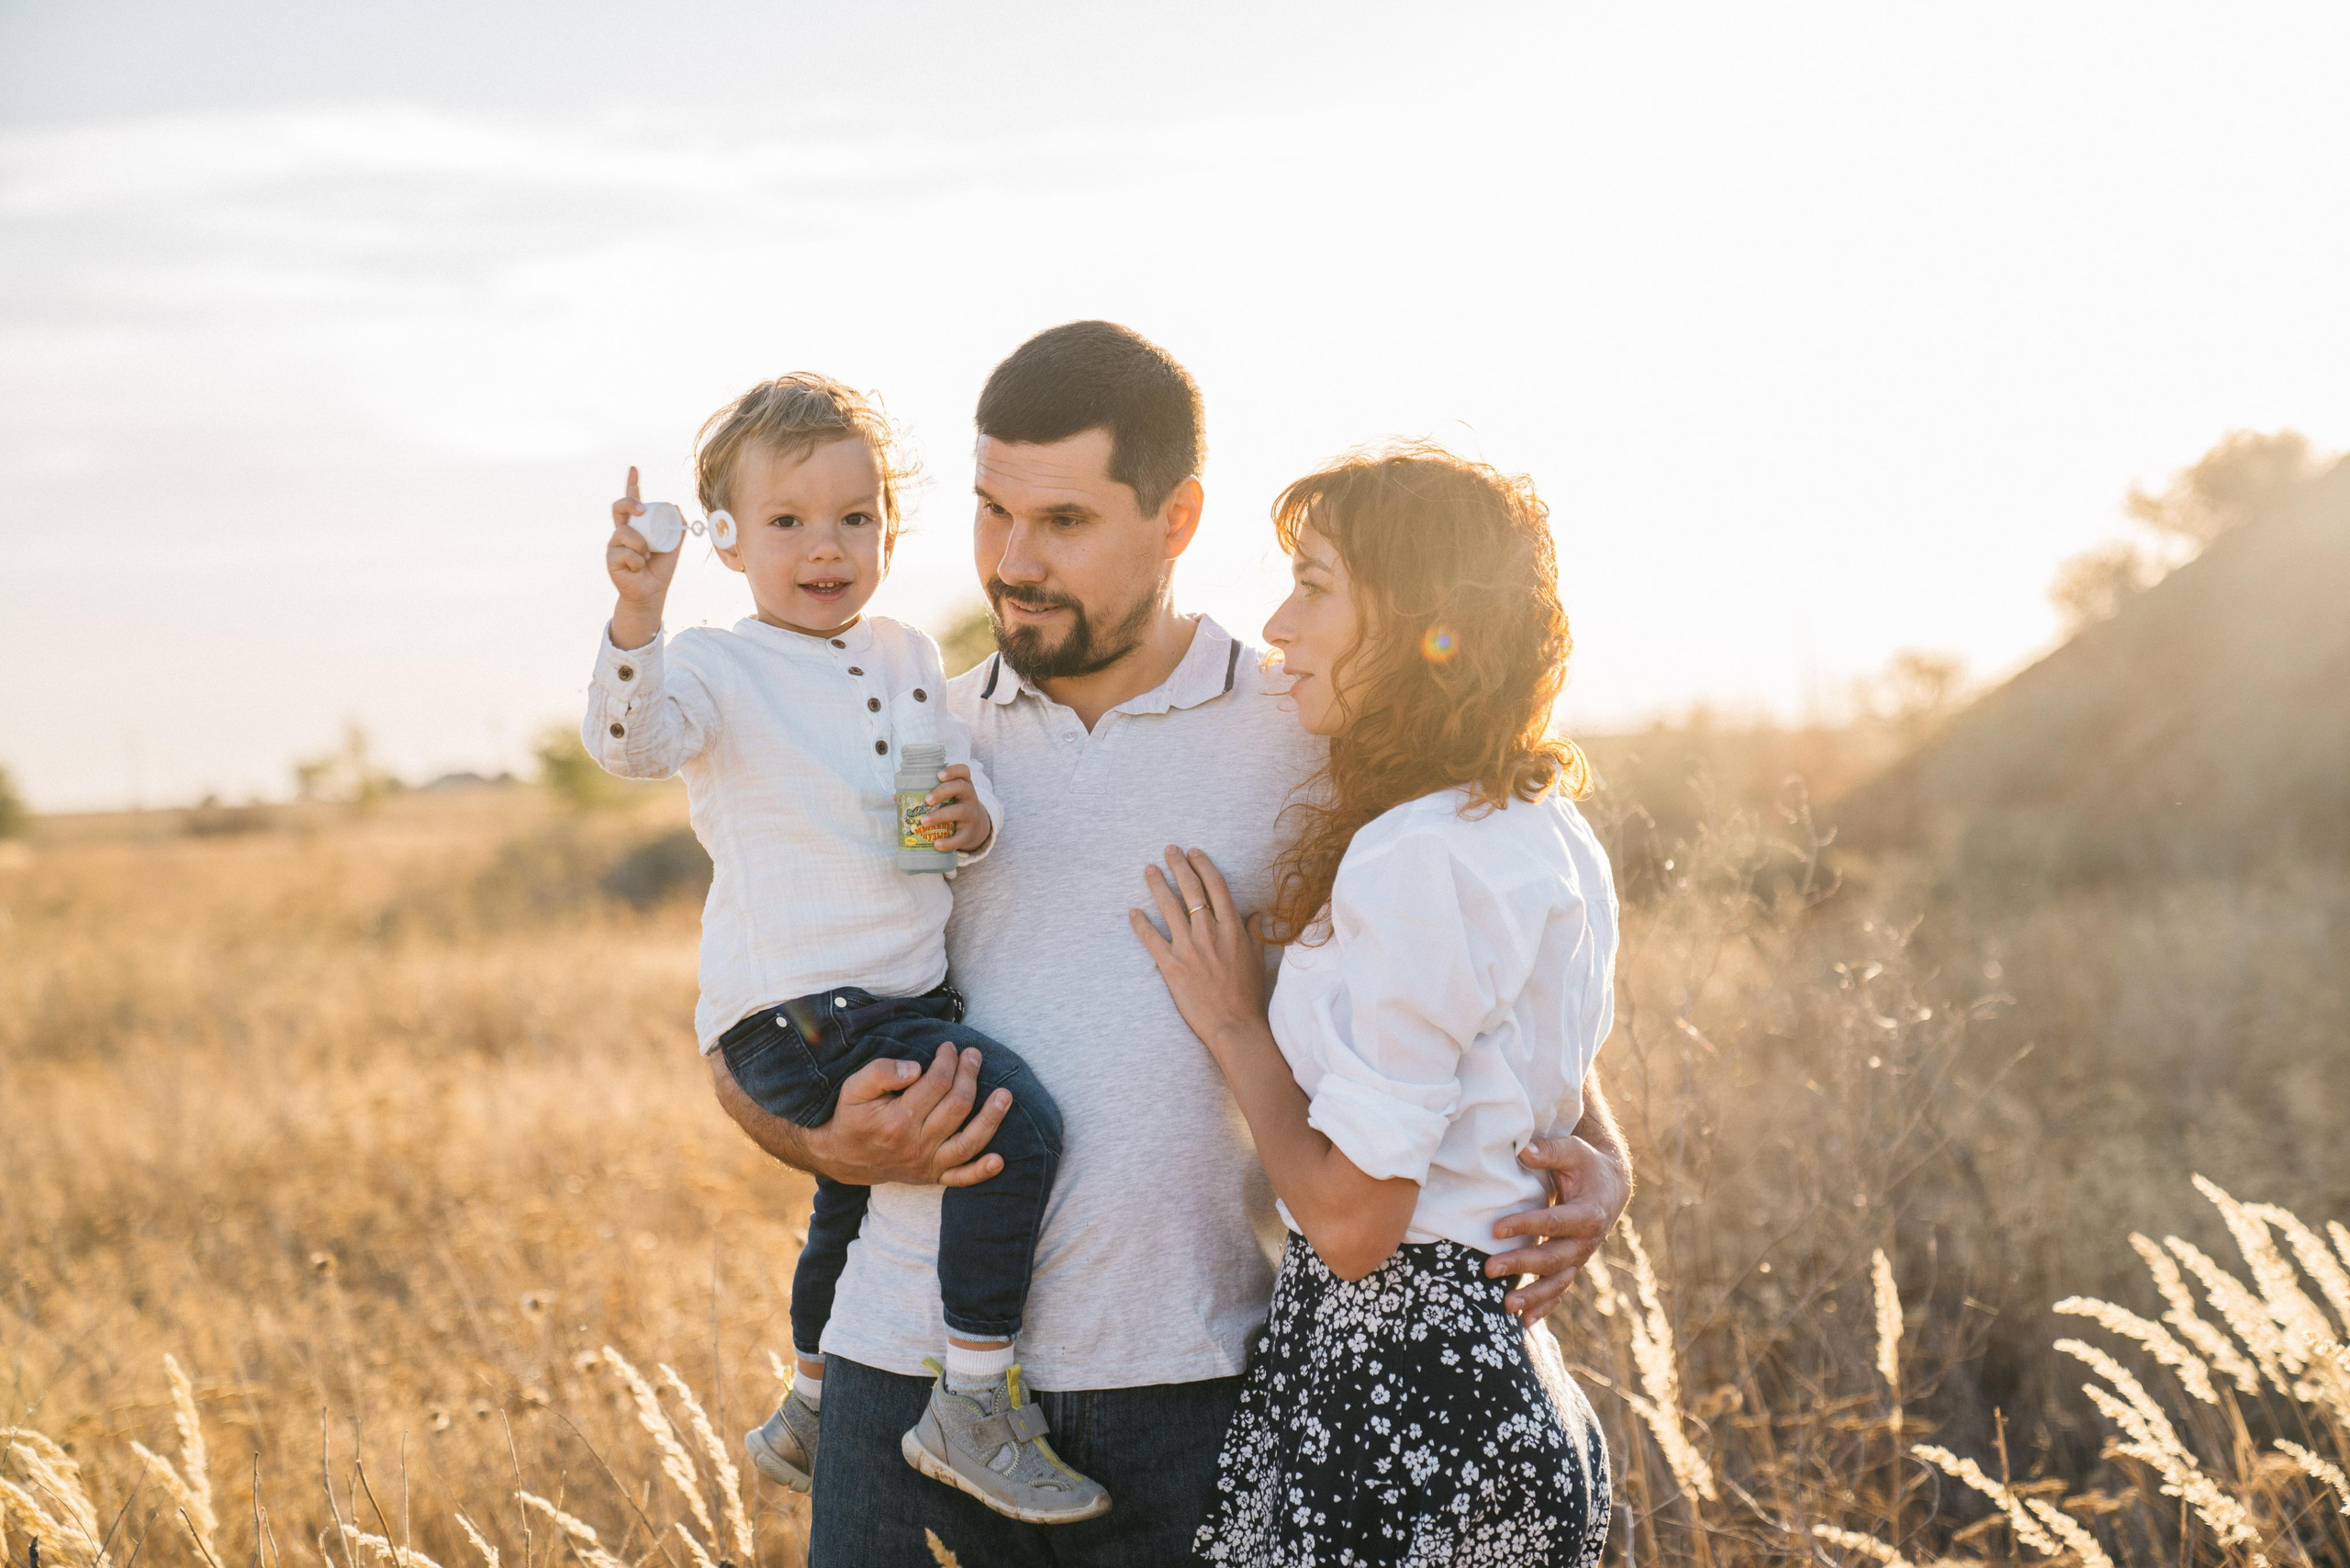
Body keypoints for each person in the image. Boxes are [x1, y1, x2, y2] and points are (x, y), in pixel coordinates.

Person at [707, 324, 1633, 1567]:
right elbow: (745, 1019)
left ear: (1177, 516)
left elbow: (1476, 970)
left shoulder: (1311, 726)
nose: (1013, 563)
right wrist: (820, 1140)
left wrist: (1600, 1154)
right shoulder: (907, 737)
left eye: (1066, 523)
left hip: (1199, 1388)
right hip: (906, 1377)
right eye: (991, 512)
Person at [584, 372, 1109, 1524]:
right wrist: (636, 619)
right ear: (723, 538)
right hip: (802, 1008)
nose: (825, 547)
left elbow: (942, 811)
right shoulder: (717, 667)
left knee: (851, 1197)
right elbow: (628, 743)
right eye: (787, 523)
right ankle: (972, 1397)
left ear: (887, 525)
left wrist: (980, 826)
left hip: (902, 994)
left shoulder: (907, 650)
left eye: (854, 518)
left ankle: (814, 1397)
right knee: (1011, 1130)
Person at [1132, 444, 1617, 1563]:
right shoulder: (1543, 822)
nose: (1278, 627)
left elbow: (1354, 1228)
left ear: (1413, 623)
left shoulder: (1411, 855)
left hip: (1399, 1407)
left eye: (1313, 586)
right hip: (1501, 1392)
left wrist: (1235, 1024)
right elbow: (1529, 1059)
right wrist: (1612, 1161)